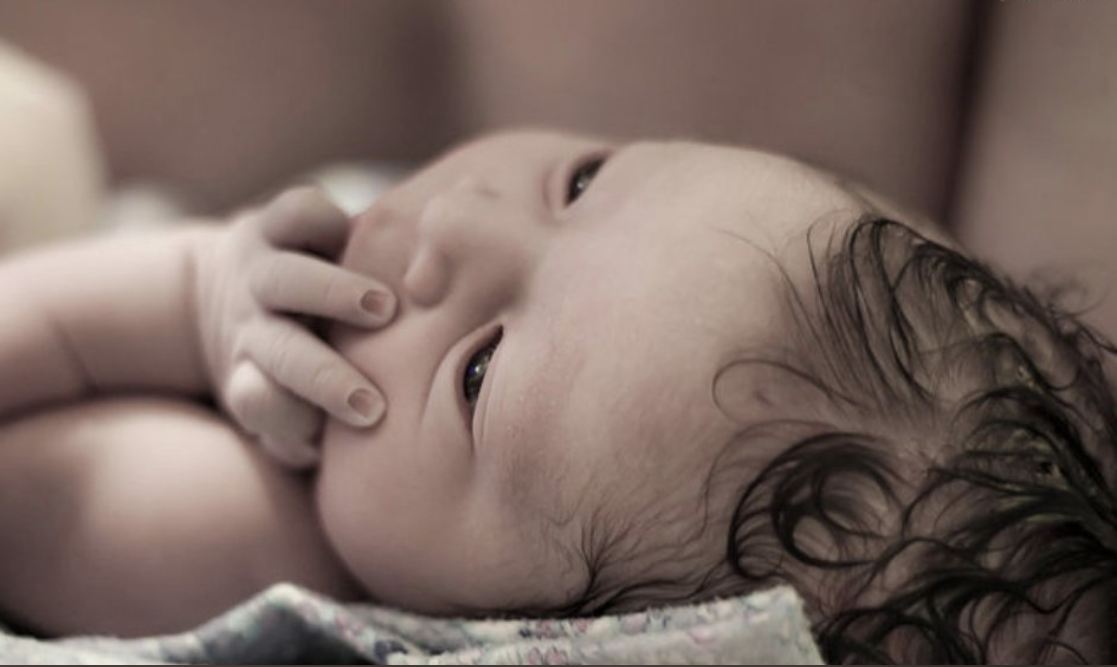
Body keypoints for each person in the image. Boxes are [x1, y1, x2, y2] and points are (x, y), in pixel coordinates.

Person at [1, 130, 1114, 664]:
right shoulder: (408, 415)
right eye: (582, 180)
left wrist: (195, 295)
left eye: (478, 370)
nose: (456, 220)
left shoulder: (244, 544)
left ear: (507, 640)